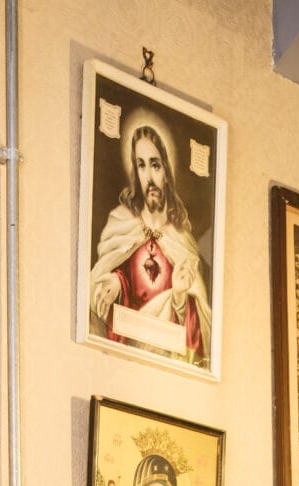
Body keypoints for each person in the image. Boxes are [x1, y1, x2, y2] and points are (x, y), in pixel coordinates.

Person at [89, 126, 211, 366]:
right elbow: (96, 289)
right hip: (123, 363)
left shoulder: (181, 239)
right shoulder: (121, 222)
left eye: (155, 165)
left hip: (167, 365)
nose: (149, 177)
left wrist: (179, 296)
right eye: (141, 165)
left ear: (166, 170)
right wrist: (116, 281)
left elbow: (199, 336)